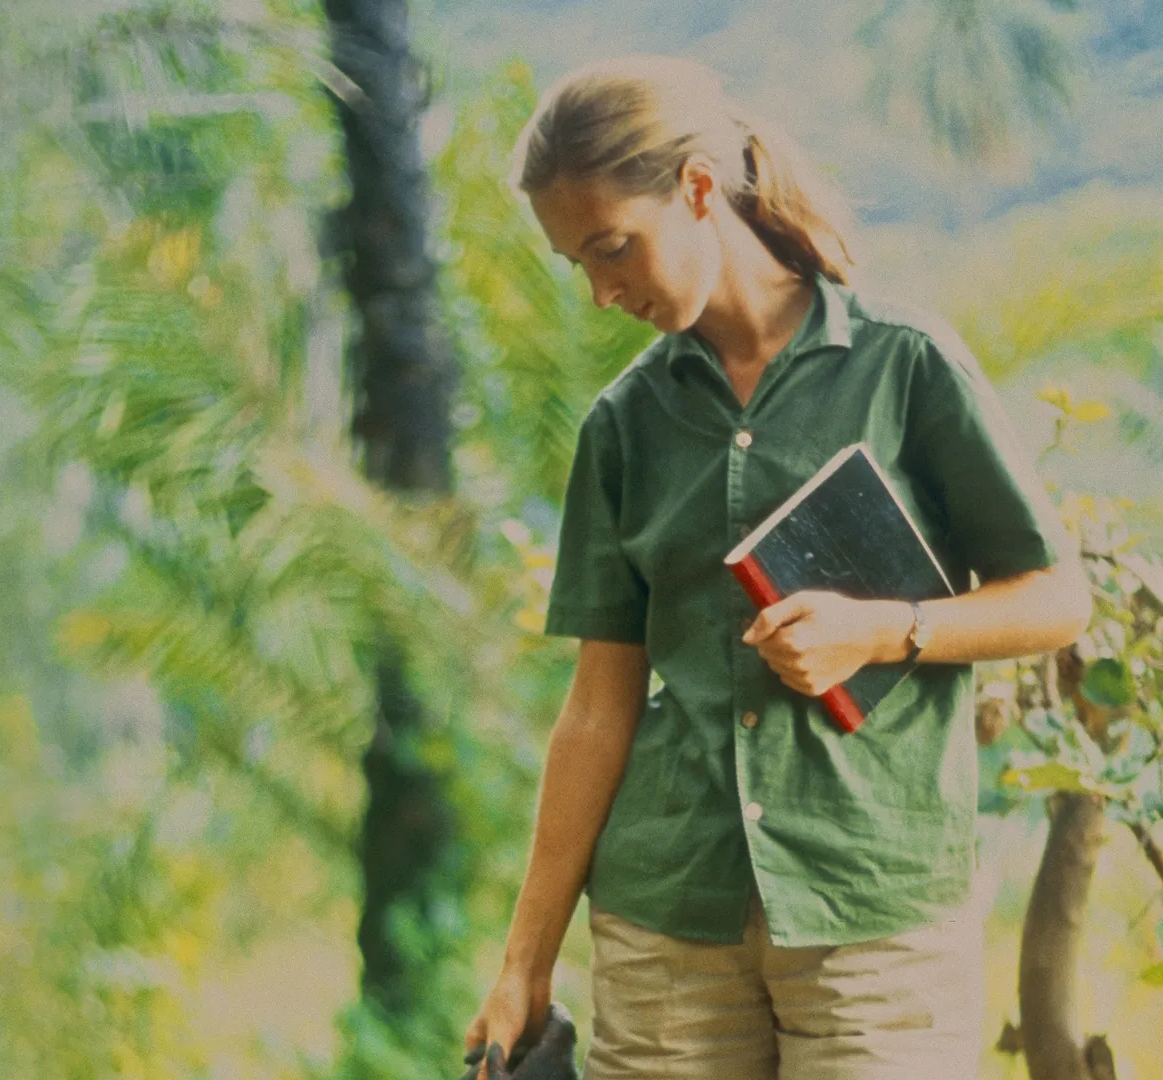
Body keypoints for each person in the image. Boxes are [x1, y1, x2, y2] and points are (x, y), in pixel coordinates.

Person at [463, 55, 1093, 1080]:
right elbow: (596, 707)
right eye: (576, 264)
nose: (600, 291)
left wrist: (887, 630)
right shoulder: (623, 428)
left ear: (700, 189)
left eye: (613, 248)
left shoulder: (905, 367)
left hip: (873, 917)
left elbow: (1060, 598)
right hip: (668, 923)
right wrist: (522, 965)